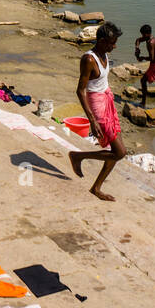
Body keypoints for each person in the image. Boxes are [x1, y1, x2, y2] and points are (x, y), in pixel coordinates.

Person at [68, 22, 126, 201]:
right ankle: (78, 156)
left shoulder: (104, 54)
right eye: (112, 42)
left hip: (107, 101)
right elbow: (80, 90)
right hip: (97, 105)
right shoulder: (89, 59)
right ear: (101, 41)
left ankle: (96, 188)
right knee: (120, 152)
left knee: (116, 151)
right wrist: (92, 120)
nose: (114, 46)